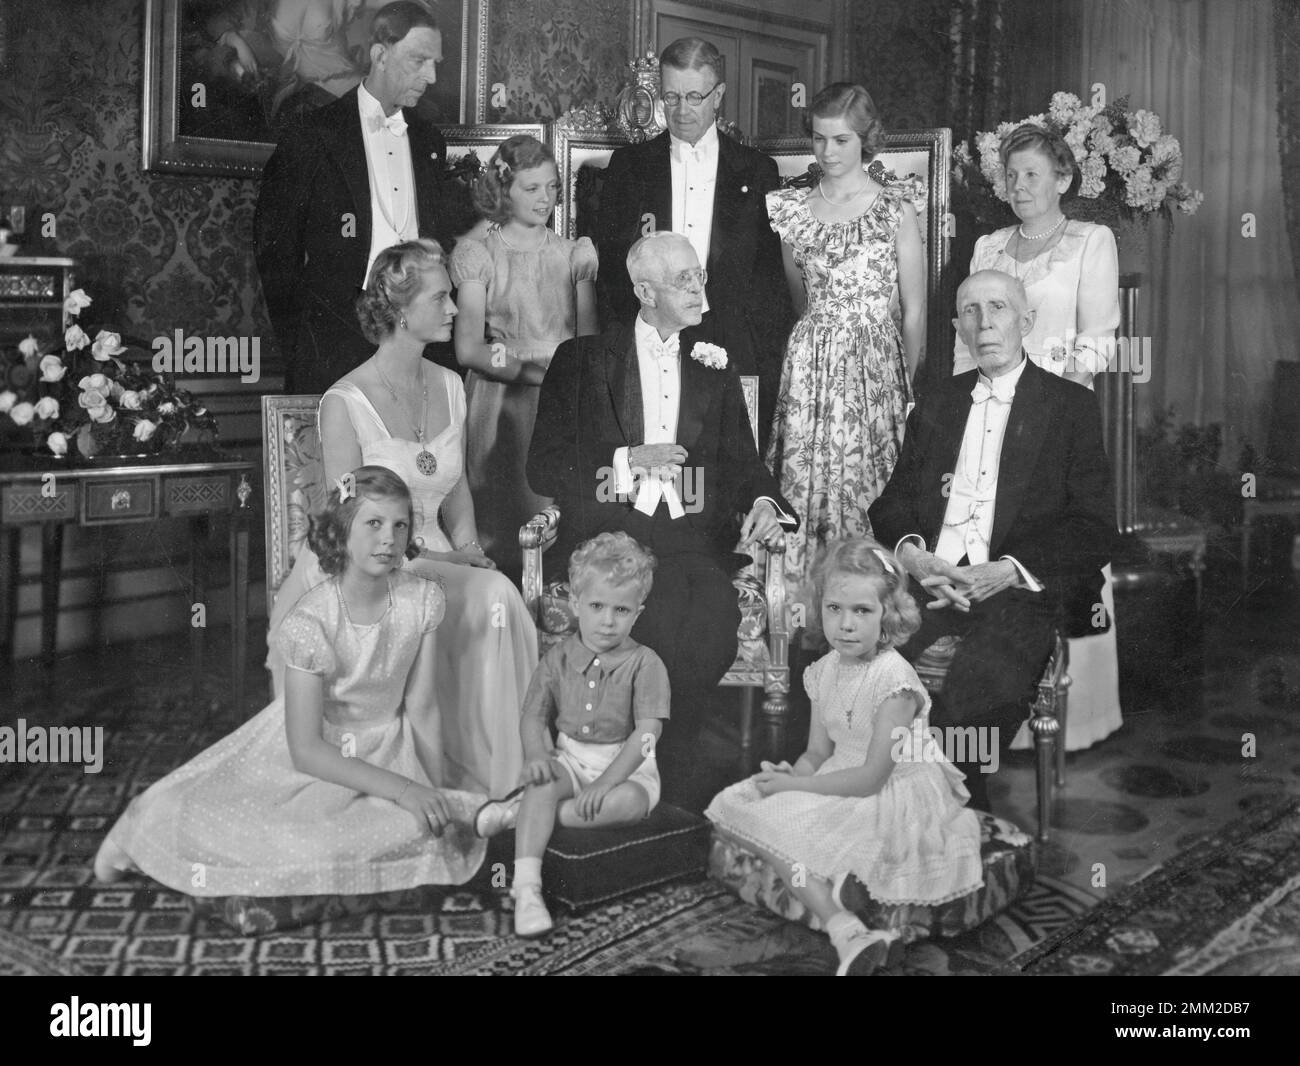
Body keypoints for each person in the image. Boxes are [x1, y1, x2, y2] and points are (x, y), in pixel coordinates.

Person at [94, 466, 486, 895]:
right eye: (373, 523)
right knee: (288, 834)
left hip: (391, 753)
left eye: (400, 525)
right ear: (341, 530)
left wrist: (426, 792)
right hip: (310, 762)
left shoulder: (423, 599)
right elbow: (306, 751)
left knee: (425, 828)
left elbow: (423, 706)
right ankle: (138, 830)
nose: (389, 538)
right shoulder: (312, 620)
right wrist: (404, 790)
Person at [528, 231, 797, 808]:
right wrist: (629, 461)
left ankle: (655, 773)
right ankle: (662, 782)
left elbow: (746, 467)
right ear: (644, 290)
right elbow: (543, 466)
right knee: (664, 613)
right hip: (608, 531)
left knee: (712, 615)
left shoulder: (713, 365)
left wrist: (767, 507)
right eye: (684, 280)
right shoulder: (581, 360)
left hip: (689, 535)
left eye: (699, 274)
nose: (700, 288)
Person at [267, 239, 538, 799]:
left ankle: (500, 771)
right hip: (368, 564)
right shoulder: (345, 401)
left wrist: (467, 544)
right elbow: (350, 522)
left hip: (441, 554)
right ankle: (482, 778)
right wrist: (449, 560)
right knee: (493, 595)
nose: (455, 311)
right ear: (398, 309)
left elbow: (456, 483)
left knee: (492, 588)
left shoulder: (449, 385)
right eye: (441, 298)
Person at [868, 269, 1116, 812]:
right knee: (864, 670)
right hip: (932, 583)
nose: (985, 322)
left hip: (1016, 588)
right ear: (958, 328)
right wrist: (915, 556)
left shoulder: (1069, 407)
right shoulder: (936, 402)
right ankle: (875, 809)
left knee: (979, 690)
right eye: (971, 312)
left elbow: (1094, 526)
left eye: (998, 308)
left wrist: (1005, 570)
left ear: (1026, 321)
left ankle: (954, 816)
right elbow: (891, 504)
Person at [706, 539, 983, 975]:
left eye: (862, 611)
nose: (846, 625)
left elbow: (872, 778)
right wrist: (791, 776)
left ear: (888, 615)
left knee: (782, 824)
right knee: (732, 806)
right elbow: (817, 752)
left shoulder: (895, 682)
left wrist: (796, 789)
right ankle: (838, 899)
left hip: (894, 791)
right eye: (834, 609)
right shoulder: (824, 669)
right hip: (838, 776)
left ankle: (845, 928)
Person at [955, 123, 1123, 752]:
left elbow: (1098, 337)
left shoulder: (1090, 241)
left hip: (1058, 415)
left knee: (1053, 538)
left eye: (1032, 174)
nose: (1019, 186)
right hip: (987, 408)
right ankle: (988, 706)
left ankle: (1074, 720)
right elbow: (964, 341)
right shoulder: (988, 245)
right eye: (1011, 175)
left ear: (1063, 180)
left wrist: (1057, 413)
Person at [765, 84, 926, 622]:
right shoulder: (793, 212)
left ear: (866, 140)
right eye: (818, 138)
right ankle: (805, 620)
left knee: (872, 487)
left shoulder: (896, 211)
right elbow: (798, 299)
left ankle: (874, 617)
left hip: (877, 366)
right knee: (807, 486)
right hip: (811, 364)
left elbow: (914, 312)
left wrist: (903, 386)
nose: (828, 152)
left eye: (841, 139)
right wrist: (821, 344)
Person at [594, 37, 792, 449]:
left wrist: (758, 351)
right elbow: (611, 269)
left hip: (732, 340)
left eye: (694, 96)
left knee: (732, 464)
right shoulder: (628, 168)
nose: (681, 110)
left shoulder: (757, 172)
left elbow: (771, 282)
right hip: (650, 335)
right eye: (671, 96)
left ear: (718, 95)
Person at [474, 533, 670, 938]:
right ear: (576, 604)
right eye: (597, 606)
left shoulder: (645, 663)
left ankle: (521, 813)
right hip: (571, 759)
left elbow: (647, 735)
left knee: (629, 804)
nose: (608, 620)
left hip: (627, 768)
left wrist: (609, 782)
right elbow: (533, 716)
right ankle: (527, 888)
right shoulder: (557, 658)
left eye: (622, 610)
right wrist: (537, 756)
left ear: (639, 612)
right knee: (545, 783)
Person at [254, 1, 451, 394]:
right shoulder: (312, 135)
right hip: (335, 343)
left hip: (420, 347)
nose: (430, 75)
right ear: (380, 55)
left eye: (436, 62)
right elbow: (275, 250)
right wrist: (302, 343)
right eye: (418, 60)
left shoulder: (430, 141)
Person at [450, 135, 599, 571]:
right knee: (502, 524)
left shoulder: (575, 254)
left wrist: (561, 380)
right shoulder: (479, 255)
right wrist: (536, 373)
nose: (546, 199)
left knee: (557, 525)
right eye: (532, 189)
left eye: (552, 187)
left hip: (560, 401)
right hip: (501, 401)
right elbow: (469, 349)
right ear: (504, 190)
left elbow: (587, 347)